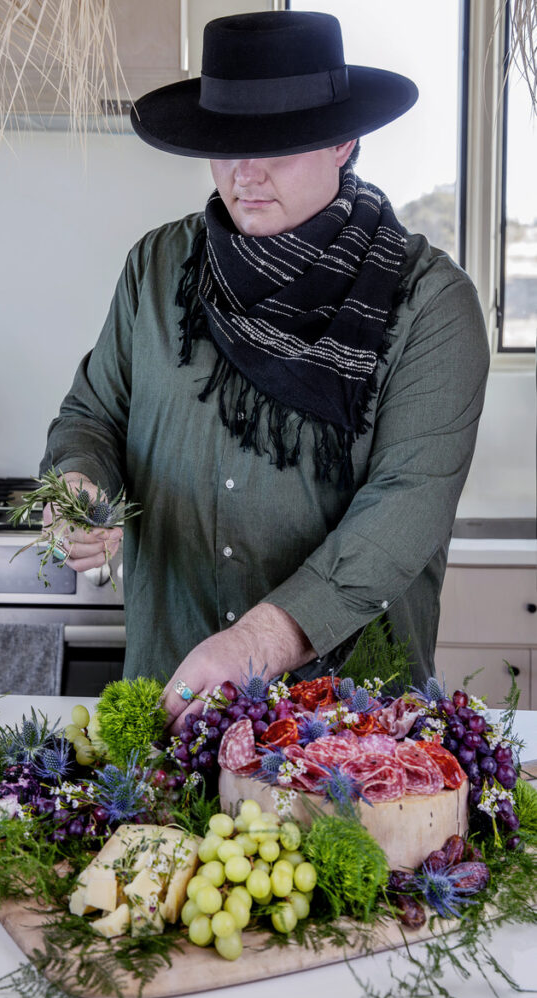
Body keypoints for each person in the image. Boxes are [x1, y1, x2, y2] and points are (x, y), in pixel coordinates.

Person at [40, 11, 489, 734]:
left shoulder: (430, 302)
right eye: (226, 147)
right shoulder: (155, 267)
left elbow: (407, 503)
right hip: (173, 701)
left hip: (349, 729)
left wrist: (258, 642)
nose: (243, 174)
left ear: (344, 141)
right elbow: (92, 417)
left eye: (276, 148)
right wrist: (79, 484)